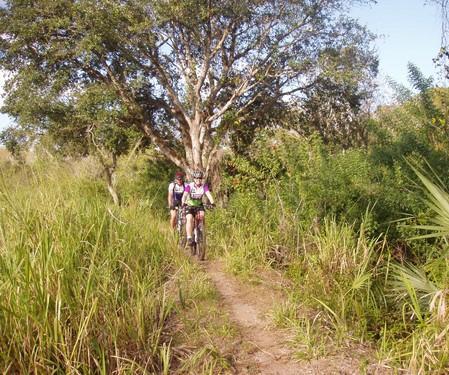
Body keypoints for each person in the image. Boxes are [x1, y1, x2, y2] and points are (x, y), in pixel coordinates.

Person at [181, 169, 215, 246]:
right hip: (189, 205)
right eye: (197, 178)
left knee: (202, 216)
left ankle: (200, 230)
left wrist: (212, 203)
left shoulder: (204, 186)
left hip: (199, 205)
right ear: (194, 179)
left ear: (202, 179)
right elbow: (184, 195)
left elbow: (209, 195)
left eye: (200, 178)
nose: (198, 180)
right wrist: (183, 202)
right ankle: (189, 237)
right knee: (189, 218)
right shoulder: (190, 186)